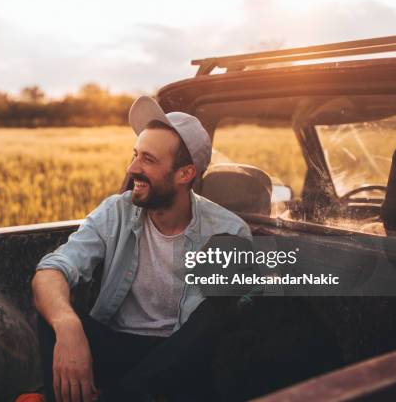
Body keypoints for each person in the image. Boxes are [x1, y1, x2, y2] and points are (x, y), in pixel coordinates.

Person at [32, 96, 253, 402]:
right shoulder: (116, 212)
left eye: (148, 159)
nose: (132, 167)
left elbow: (210, 330)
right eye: (135, 155)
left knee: (218, 311)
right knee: (51, 314)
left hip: (184, 359)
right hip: (121, 348)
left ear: (184, 174)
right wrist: (67, 325)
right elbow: (51, 270)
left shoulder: (228, 231)